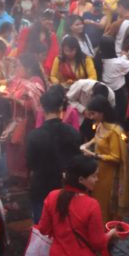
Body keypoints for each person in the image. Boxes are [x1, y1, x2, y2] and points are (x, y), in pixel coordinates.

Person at [25, 85, 81, 224]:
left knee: (42, 226)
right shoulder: (73, 133)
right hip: (64, 186)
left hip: (41, 186)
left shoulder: (34, 135)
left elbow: (30, 163)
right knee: (64, 224)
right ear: (61, 107)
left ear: (43, 108)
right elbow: (76, 160)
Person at [82, 95, 129, 223]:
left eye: (93, 114)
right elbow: (96, 139)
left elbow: (116, 157)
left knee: (105, 204)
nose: (91, 117)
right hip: (98, 172)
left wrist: (94, 155)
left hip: (109, 175)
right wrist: (87, 145)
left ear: (102, 113)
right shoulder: (99, 125)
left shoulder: (115, 132)